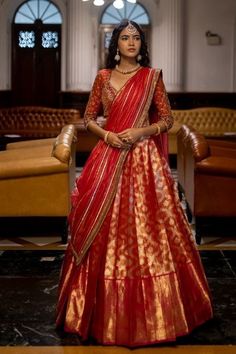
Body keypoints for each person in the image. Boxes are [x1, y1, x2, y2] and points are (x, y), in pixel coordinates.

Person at [56, 19, 213, 347]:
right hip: (108, 157)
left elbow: (167, 120)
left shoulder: (151, 78)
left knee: (147, 229)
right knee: (104, 228)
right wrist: (109, 135)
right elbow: (87, 119)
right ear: (116, 45)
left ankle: (158, 313)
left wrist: (141, 132)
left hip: (143, 162)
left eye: (136, 38)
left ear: (142, 43)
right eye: (125, 38)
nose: (131, 43)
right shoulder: (102, 78)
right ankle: (95, 312)